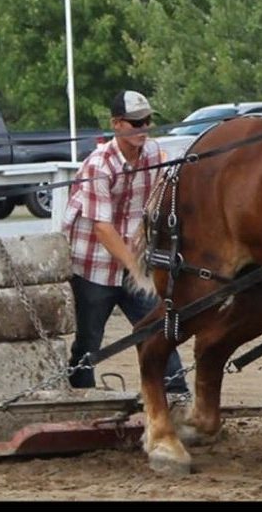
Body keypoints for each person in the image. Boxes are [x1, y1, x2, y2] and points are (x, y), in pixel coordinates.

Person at [62, 90, 189, 395]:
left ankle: (177, 395)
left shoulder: (155, 156)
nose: (142, 128)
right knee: (89, 341)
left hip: (133, 261)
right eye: (135, 123)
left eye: (146, 121)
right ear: (116, 124)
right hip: (93, 265)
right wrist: (136, 268)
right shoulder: (98, 165)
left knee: (159, 330)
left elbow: (158, 204)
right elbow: (102, 229)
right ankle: (80, 398)